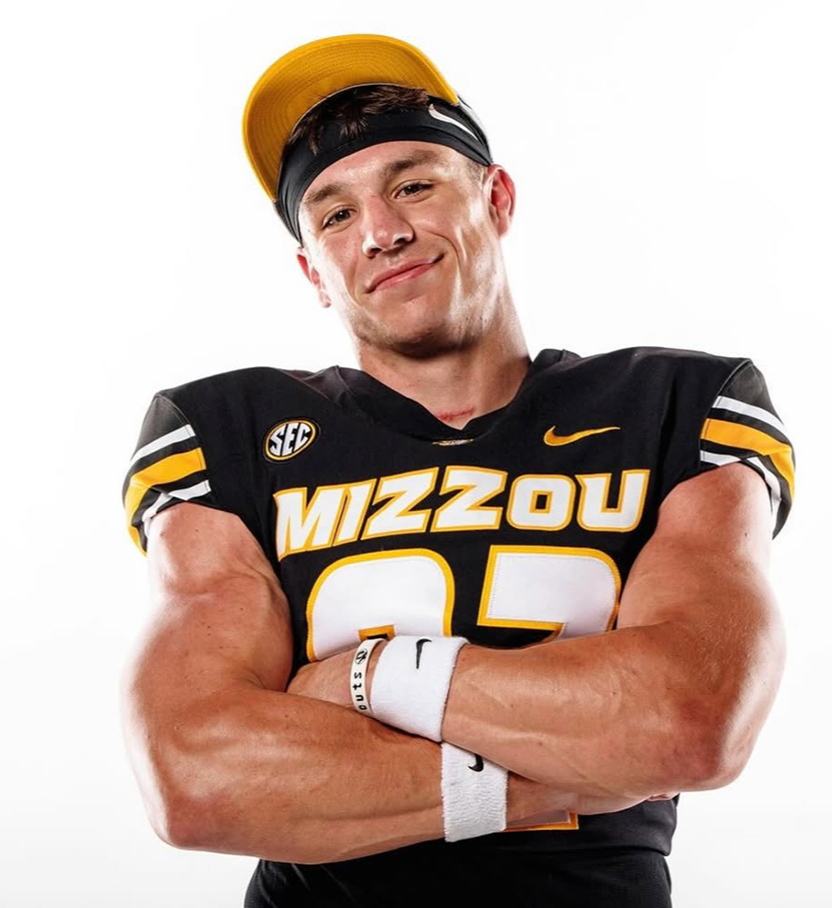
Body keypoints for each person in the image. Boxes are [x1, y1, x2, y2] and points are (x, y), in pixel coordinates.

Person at [120, 34, 796, 908]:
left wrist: (370, 678)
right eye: (334, 214)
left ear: (496, 196)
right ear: (311, 272)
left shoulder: (676, 401)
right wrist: (562, 776)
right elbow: (195, 774)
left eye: (413, 184)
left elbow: (692, 724)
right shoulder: (227, 430)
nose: (383, 231)